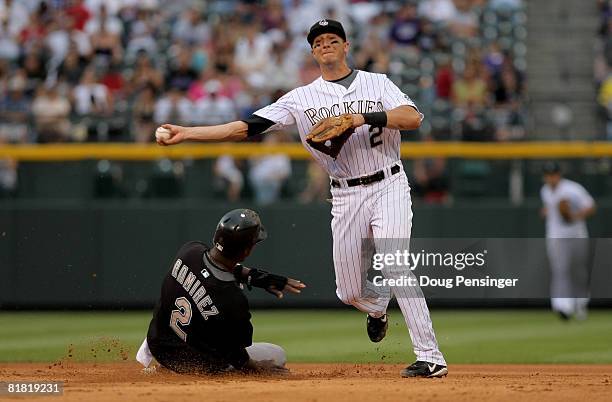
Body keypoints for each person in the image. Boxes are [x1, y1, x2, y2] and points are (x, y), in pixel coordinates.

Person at [155, 19, 447, 378]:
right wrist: (187, 133)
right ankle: (376, 307)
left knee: (395, 264)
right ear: (313, 51)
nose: (325, 44)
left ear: (346, 45)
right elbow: (243, 128)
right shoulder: (300, 98)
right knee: (350, 292)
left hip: (388, 183)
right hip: (344, 194)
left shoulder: (377, 82)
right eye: (319, 41)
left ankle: (430, 357)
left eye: (332, 39)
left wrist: (360, 117)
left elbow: (413, 117)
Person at [136, 209, 306, 374]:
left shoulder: (189, 252)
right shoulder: (231, 298)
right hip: (195, 364)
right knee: (277, 353)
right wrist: (258, 368)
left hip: (158, 345)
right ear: (246, 251)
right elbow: (238, 355)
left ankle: (166, 367)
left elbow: (214, 268)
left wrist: (254, 277)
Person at [540, 162, 596, 320]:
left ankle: (580, 304)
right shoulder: (544, 191)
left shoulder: (573, 189)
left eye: (553, 174)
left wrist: (575, 216)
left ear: (559, 174)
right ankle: (562, 306)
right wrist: (546, 211)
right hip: (556, 235)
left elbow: (591, 206)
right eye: (548, 175)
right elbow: (550, 208)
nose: (551, 178)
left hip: (576, 233)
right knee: (559, 269)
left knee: (578, 269)